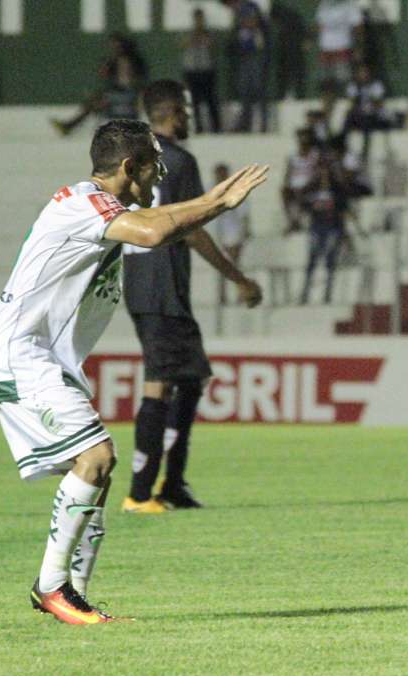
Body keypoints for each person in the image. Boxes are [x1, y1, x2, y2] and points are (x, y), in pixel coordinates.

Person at [0, 118, 266, 624]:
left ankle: (75, 592)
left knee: (98, 473)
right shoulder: (84, 204)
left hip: (45, 357)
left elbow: (164, 223)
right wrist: (217, 203)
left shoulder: (96, 205)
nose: (159, 180)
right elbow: (156, 231)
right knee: (96, 456)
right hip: (20, 356)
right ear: (130, 167)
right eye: (155, 168)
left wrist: (204, 210)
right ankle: (51, 588)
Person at [122, 80, 264, 513]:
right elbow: (195, 228)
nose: (188, 117)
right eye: (184, 109)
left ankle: (172, 484)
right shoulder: (178, 160)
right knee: (161, 381)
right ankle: (140, 494)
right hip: (161, 283)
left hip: (140, 279)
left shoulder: (131, 157)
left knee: (191, 376)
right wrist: (238, 278)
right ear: (174, 112)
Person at [299, 154, 349, 305]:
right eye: (321, 168)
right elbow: (303, 204)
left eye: (326, 168)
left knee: (329, 261)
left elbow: (342, 208)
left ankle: (327, 293)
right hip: (316, 226)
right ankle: (305, 293)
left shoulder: (337, 188)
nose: (324, 172)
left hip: (332, 227)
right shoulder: (311, 187)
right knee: (312, 260)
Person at [223, 0, 270, 133]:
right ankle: (246, 123)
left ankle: (263, 124)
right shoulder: (237, 13)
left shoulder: (251, 7)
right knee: (245, 91)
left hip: (256, 55)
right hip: (243, 56)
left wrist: (246, 23)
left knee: (258, 90)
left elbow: (255, 23)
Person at [211, 163, 253, 304]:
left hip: (233, 233)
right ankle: (222, 295)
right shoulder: (211, 191)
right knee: (222, 266)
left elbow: (244, 213)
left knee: (234, 265)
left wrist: (245, 230)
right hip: (219, 233)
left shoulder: (236, 190)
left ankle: (240, 294)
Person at [181, 8, 221, 134]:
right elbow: (182, 45)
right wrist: (192, 39)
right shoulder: (189, 33)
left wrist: (204, 39)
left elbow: (212, 45)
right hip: (192, 70)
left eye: (201, 19)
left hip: (206, 70)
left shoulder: (208, 33)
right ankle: (199, 127)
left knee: (210, 100)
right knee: (195, 101)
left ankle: (216, 127)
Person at [342, 63, 390, 161]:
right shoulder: (354, 85)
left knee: (367, 119)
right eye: (361, 72)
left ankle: (365, 151)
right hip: (359, 114)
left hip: (373, 116)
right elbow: (352, 102)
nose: (364, 75)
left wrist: (369, 107)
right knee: (348, 117)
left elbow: (379, 103)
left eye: (366, 72)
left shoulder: (376, 85)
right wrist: (359, 109)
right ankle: (343, 146)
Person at [313, 0, 364, 90]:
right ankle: (328, 101)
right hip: (325, 48)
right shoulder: (324, 4)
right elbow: (319, 25)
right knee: (325, 80)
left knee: (344, 79)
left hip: (343, 47)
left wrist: (358, 47)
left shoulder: (350, 5)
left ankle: (348, 101)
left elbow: (358, 28)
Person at [283, 129, 320, 233]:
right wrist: (286, 185)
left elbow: (317, 173)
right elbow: (288, 173)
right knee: (284, 192)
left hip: (309, 185)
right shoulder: (293, 156)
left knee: (301, 192)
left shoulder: (315, 155)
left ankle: (296, 222)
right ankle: (292, 221)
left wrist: (310, 184)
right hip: (294, 185)